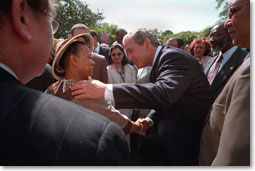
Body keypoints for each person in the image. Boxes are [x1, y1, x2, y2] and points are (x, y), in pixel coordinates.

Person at [0, 0, 129, 165]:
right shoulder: (97, 141)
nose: (92, 62)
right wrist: (137, 127)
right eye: (52, 24)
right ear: (22, 17)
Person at [71, 28, 214, 165]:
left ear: (146, 43)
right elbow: (168, 99)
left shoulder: (173, 57)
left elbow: (163, 94)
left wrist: (106, 90)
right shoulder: (162, 60)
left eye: (130, 51)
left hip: (191, 139)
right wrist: (150, 120)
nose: (129, 58)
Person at [46, 33, 142, 135]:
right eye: (89, 57)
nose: (93, 62)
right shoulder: (86, 93)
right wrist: (140, 127)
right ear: (73, 60)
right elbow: (122, 124)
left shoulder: (53, 89)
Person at [199, 0, 250, 166]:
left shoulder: (246, 62)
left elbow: (238, 154)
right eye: (211, 36)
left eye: (234, 11)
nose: (228, 22)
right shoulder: (211, 61)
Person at [205, 22, 248, 99]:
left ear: (230, 34)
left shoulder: (246, 59)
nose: (211, 40)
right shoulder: (210, 61)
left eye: (215, 35)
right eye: (210, 37)